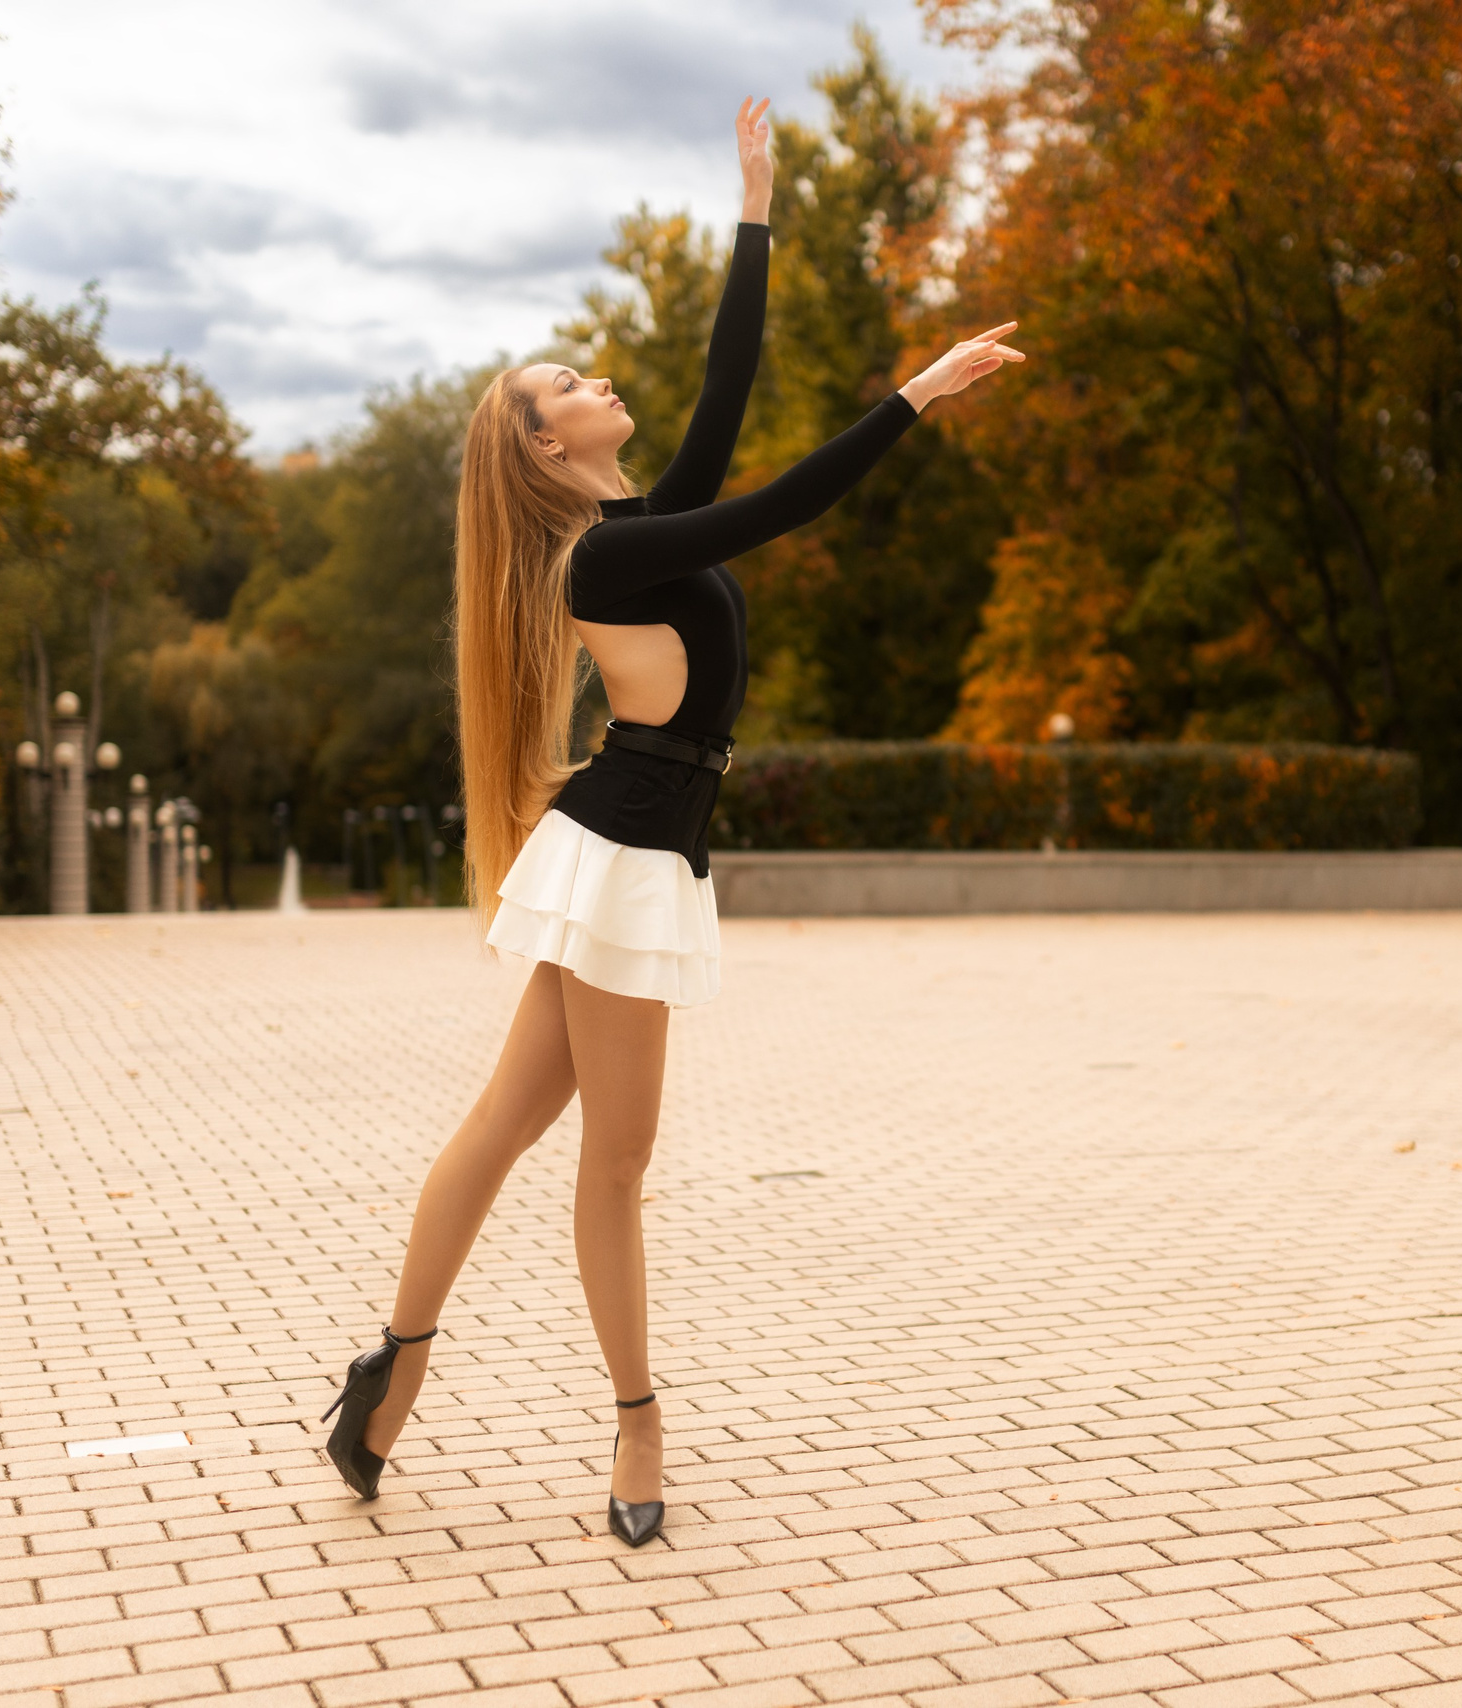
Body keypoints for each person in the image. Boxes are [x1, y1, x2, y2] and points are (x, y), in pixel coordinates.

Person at [316, 97, 1023, 1547]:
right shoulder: (614, 555)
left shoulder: (633, 527)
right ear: (539, 443)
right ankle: (635, 1426)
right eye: (565, 378)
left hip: (625, 844)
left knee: (512, 1124)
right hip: (627, 857)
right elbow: (781, 503)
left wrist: (755, 205)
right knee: (610, 1162)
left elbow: (726, 394)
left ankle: (388, 1380)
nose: (595, 376)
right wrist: (918, 394)